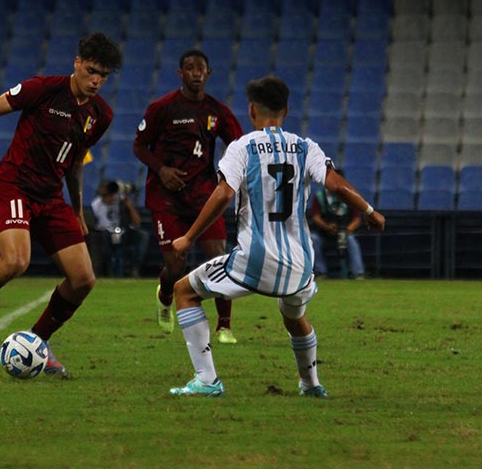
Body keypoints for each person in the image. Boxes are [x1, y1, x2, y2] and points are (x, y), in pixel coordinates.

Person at [167, 76, 386, 398]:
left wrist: (188, 238)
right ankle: (311, 385)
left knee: (184, 291)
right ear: (286, 109)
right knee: (295, 317)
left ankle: (207, 380)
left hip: (255, 260)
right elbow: (336, 186)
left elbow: (224, 193)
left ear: (251, 110)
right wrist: (369, 211)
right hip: (300, 264)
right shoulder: (306, 147)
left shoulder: (242, 147)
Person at [0, 32, 122, 377]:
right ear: (77, 63)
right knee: (16, 261)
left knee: (83, 279)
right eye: (92, 71)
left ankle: (38, 341)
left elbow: (76, 162)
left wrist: (77, 210)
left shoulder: (101, 115)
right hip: (14, 186)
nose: (97, 80)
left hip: (51, 197)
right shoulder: (43, 89)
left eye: (104, 75)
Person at [133, 49, 243, 342]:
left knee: (218, 257)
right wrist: (162, 170)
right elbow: (139, 146)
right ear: (180, 74)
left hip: (204, 196)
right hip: (166, 198)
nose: (196, 73)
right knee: (175, 265)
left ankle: (224, 326)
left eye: (200, 68)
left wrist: (226, 174)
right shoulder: (162, 108)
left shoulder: (218, 111)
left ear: (208, 73)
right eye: (190, 68)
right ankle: (165, 293)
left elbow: (239, 145)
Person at [308, 171, 366, 279]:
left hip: (345, 232)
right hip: (324, 233)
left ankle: (358, 272)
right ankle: (321, 271)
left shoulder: (351, 196)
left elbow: (357, 218)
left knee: (352, 241)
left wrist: (347, 230)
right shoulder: (320, 196)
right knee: (313, 239)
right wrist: (326, 226)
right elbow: (315, 216)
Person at [90, 179, 149, 277]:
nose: (111, 197)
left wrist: (129, 206)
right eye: (107, 195)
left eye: (112, 194)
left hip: (122, 231)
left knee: (143, 235)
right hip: (105, 234)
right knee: (105, 238)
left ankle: (134, 269)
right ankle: (110, 270)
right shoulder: (96, 205)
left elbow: (137, 222)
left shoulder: (121, 200)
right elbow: (95, 225)